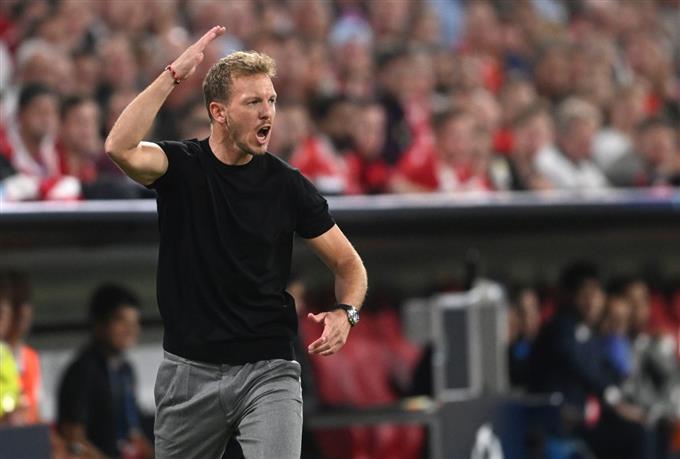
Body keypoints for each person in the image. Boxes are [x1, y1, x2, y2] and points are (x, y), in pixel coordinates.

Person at [104, 26, 368, 459]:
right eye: (253, 102)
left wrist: (347, 313)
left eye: (271, 101)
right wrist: (173, 75)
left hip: (269, 370)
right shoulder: (181, 167)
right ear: (219, 112)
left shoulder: (287, 185)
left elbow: (349, 265)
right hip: (188, 373)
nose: (268, 113)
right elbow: (119, 146)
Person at [57, 283, 153, 459]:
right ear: (99, 323)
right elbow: (73, 437)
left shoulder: (125, 370)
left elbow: (134, 433)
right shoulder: (83, 371)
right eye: (121, 321)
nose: (130, 330)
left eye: (135, 322)